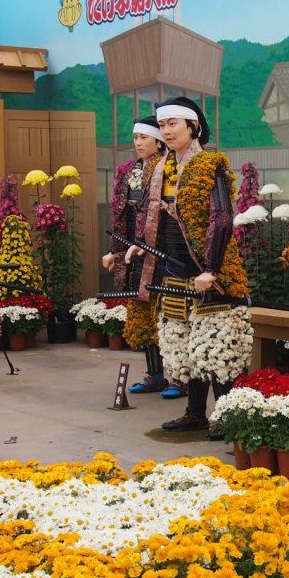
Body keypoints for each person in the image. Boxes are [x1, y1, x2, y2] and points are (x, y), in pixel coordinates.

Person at [128, 98, 252, 435]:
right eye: (163, 124)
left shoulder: (210, 165)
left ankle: (226, 416)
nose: (166, 131)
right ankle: (195, 413)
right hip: (172, 268)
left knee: (216, 347)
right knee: (184, 346)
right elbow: (147, 215)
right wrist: (140, 248)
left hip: (209, 271)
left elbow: (221, 217)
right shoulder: (159, 169)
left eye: (173, 124)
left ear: (193, 127)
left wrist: (210, 268)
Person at [103, 116, 180, 397]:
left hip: (165, 253)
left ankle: (179, 379)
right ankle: (155, 375)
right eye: (135, 138)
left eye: (143, 138)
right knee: (143, 313)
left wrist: (149, 245)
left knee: (170, 316)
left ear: (158, 141)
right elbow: (121, 215)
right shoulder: (129, 171)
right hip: (135, 254)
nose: (138, 143)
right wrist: (115, 251)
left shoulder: (168, 169)